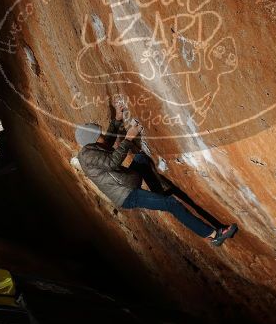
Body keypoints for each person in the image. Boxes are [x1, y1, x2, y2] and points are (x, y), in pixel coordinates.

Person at [76, 104, 238, 246]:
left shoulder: (92, 148)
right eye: (100, 134)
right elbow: (112, 162)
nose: (103, 134)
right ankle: (213, 235)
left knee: (140, 159)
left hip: (129, 181)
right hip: (127, 194)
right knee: (172, 203)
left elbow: (108, 141)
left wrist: (118, 119)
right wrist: (129, 137)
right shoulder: (88, 156)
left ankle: (158, 197)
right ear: (95, 140)